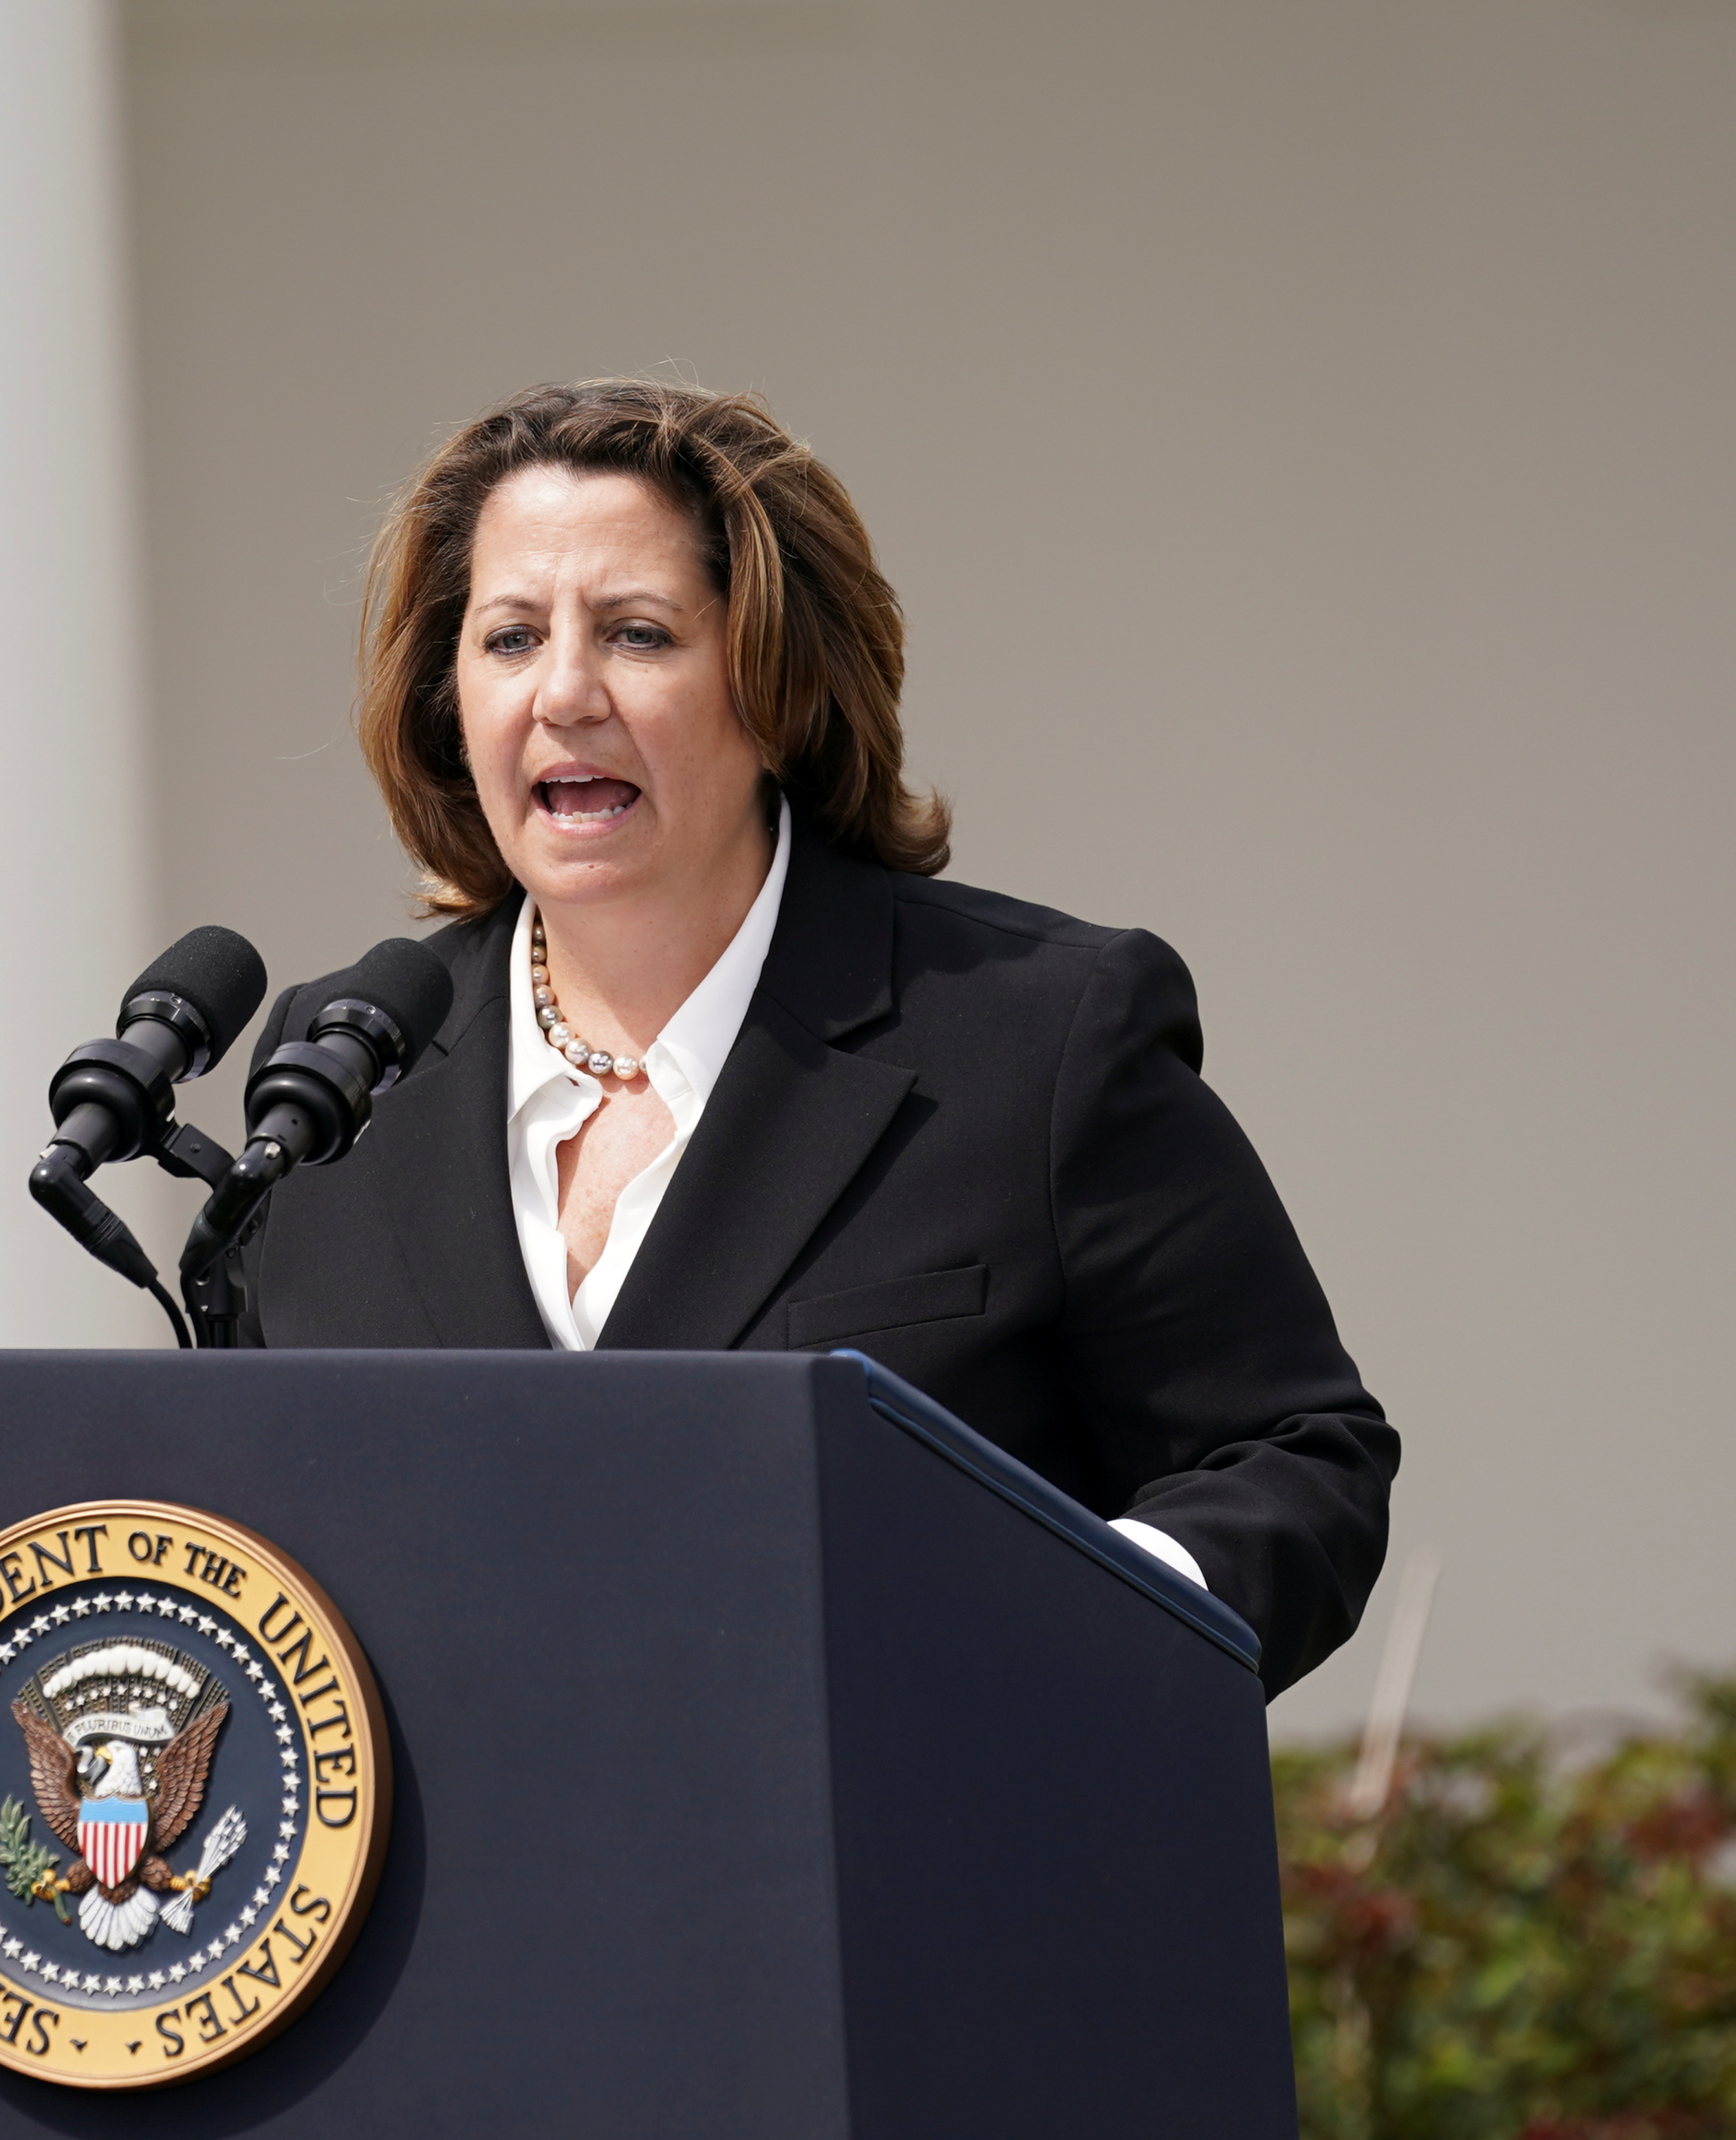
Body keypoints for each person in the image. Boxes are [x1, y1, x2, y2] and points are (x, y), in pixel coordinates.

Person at [244, 378, 1390, 1696]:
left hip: (905, 1868)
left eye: (637, 634)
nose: (563, 693)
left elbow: (1299, 1464)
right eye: (509, 640)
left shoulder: (1040, 1038)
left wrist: (1069, 1636)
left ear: (775, 686)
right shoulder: (340, 1077)